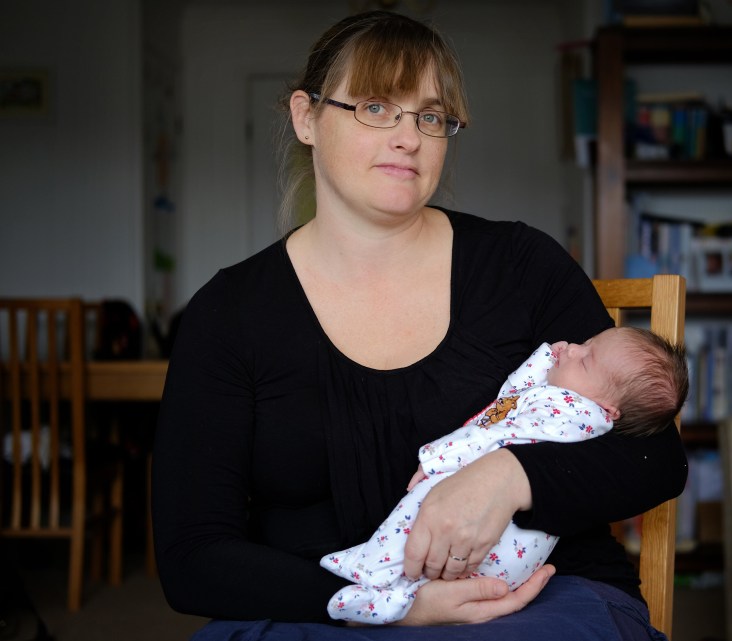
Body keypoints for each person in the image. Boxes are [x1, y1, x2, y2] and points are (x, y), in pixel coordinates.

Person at [151, 10, 688, 641]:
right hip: (321, 607)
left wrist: (509, 476)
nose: (409, 137)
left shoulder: (521, 265)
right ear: (305, 118)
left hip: (527, 603)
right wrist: (393, 606)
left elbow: (655, 458)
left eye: (430, 117)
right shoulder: (229, 313)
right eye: (376, 107)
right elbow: (192, 558)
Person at [324, 328, 688, 624]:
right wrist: (553, 356)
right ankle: (388, 597)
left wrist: (438, 456)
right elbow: (512, 396)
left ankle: (372, 576)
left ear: (608, 409)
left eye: (586, 357)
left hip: (505, 546)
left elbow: (494, 430)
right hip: (509, 566)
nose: (572, 347)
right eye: (583, 343)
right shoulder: (571, 397)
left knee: (425, 504)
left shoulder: (571, 411)